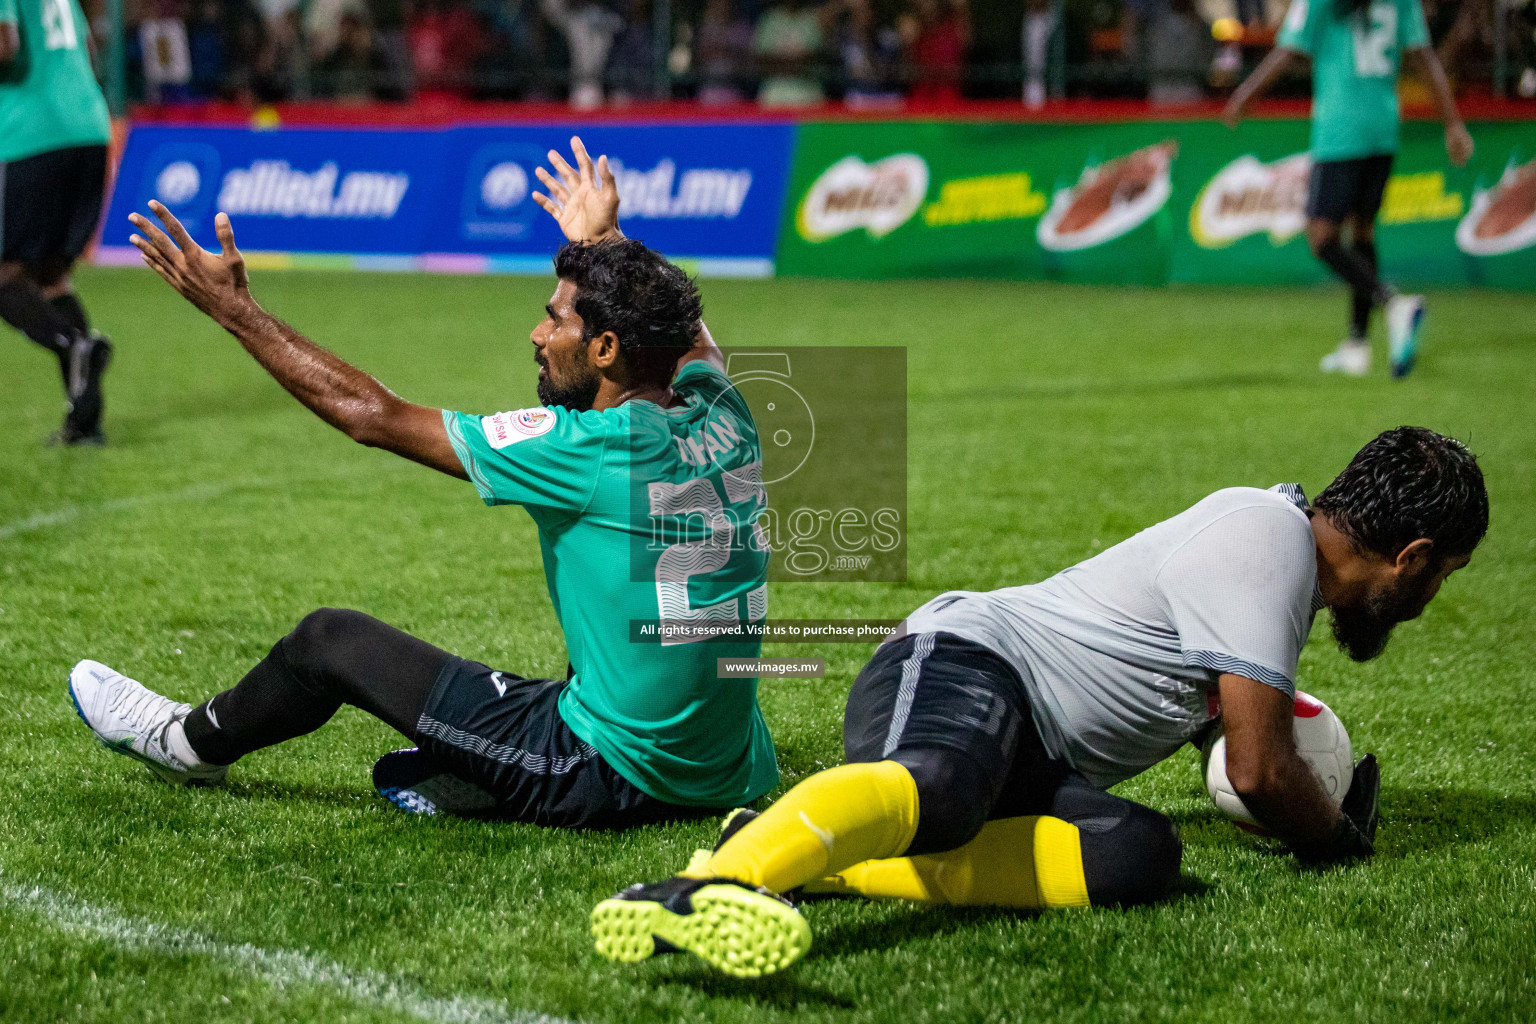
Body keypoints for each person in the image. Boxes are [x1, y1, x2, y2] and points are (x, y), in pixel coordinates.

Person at [593, 427, 1488, 979]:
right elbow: (1257, 771)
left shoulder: (1276, 560)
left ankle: (804, 848)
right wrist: (1335, 836)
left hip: (1035, 750)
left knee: (1141, 853)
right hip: (965, 661)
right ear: (1410, 556)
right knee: (940, 787)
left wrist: (1299, 784)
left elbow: (1225, 732)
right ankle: (698, 890)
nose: (1427, 600)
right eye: (1441, 577)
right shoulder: (1268, 540)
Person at [67, 138, 779, 831]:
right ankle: (474, 770)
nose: (536, 333)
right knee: (545, 686)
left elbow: (373, 417)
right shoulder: (724, 407)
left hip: (614, 772)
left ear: (605, 348)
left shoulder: (591, 448)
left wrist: (234, 311)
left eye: (556, 319)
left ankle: (186, 744)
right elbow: (689, 334)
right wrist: (606, 242)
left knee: (329, 642)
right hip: (731, 767)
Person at [1223, 0, 1473, 379]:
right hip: (1384, 130)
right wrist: (1452, 124)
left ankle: (1393, 304)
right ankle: (1357, 345)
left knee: (1321, 238)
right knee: (1362, 232)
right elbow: (1425, 59)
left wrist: (1244, 95)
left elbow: (1288, 50)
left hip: (1340, 131)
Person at [0, 0, 114, 444]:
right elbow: (88, 45)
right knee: (52, 277)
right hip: (89, 126)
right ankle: (85, 423)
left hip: (32, 134)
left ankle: (74, 344)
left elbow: (5, 44)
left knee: (5, 276)